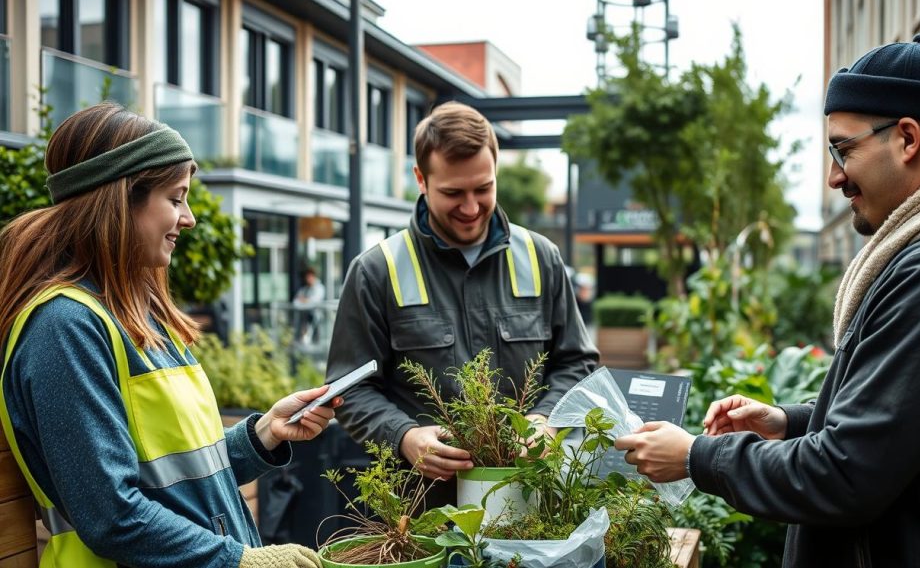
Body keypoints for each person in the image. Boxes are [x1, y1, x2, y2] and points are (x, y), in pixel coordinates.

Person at [614, 35, 920, 567]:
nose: (834, 176)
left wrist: (696, 456)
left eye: (843, 149)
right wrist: (788, 423)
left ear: (906, 139)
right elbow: (910, 427)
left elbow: (846, 475)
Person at [0, 102, 341, 568]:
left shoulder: (140, 315)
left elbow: (178, 476)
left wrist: (261, 436)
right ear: (120, 200)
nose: (190, 218)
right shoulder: (65, 330)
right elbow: (111, 516)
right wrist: (240, 560)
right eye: (176, 198)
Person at [326, 101, 598, 504]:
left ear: (495, 172)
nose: (471, 208)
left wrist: (546, 420)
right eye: (453, 192)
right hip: (423, 512)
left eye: (483, 189)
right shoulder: (376, 272)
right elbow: (349, 388)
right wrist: (404, 437)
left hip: (533, 502)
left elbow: (577, 363)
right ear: (421, 178)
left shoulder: (542, 258)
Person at [293, 267, 326, 344]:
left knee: (316, 340)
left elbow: (314, 301)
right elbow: (296, 301)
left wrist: (304, 300)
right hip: (305, 318)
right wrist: (305, 300)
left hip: (316, 319)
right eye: (306, 277)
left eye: (309, 277)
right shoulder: (304, 289)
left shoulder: (319, 288)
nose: (308, 279)